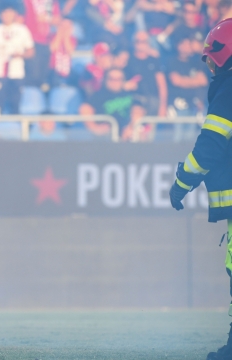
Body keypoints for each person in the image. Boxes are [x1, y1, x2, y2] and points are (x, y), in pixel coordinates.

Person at [168, 18, 232, 360]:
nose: (208, 63)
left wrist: (181, 184)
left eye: (212, 55)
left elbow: (210, 145)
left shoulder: (230, 87)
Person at [0, 5, 35, 114]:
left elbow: (31, 52)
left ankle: (16, 127)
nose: (7, 15)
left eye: (9, 12)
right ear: (0, 14)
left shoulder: (22, 30)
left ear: (14, 14)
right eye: (4, 13)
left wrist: (20, 55)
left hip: (17, 73)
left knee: (15, 104)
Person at [79, 68, 146, 140]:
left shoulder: (131, 94)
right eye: (111, 79)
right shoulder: (98, 96)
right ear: (105, 80)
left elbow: (139, 110)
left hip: (129, 135)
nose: (115, 82)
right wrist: (95, 128)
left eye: (118, 79)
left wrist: (131, 127)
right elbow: (85, 109)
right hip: (106, 138)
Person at [123, 31, 168, 118]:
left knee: (151, 129)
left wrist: (163, 106)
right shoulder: (128, 60)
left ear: (148, 43)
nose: (140, 44)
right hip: (134, 101)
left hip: (153, 101)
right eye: (137, 41)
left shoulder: (154, 60)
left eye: (143, 41)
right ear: (133, 43)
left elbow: (162, 85)